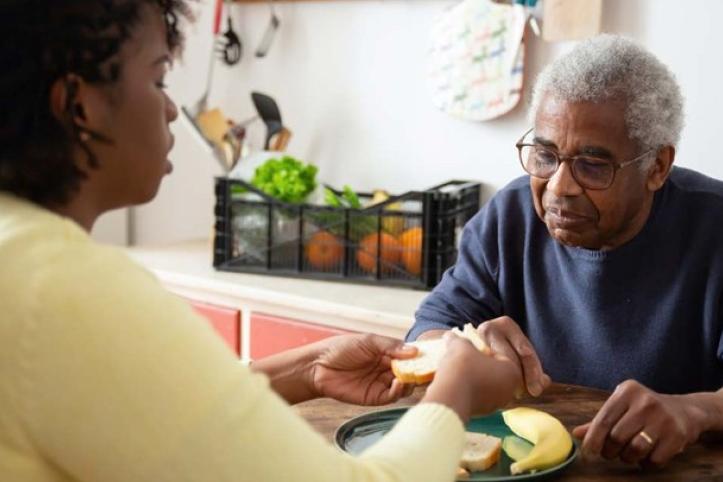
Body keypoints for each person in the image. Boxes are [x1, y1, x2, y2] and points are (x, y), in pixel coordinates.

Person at [0, 2, 523, 481]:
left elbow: (158, 409)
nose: (170, 110)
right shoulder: (66, 290)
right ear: (78, 107)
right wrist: (455, 391)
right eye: (159, 78)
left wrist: (306, 369)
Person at [407, 34, 723, 467]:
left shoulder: (714, 229)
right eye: (545, 155)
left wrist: (697, 410)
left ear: (657, 167)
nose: (559, 187)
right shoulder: (510, 217)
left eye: (593, 166)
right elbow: (429, 327)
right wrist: (461, 346)